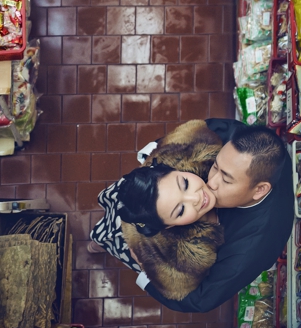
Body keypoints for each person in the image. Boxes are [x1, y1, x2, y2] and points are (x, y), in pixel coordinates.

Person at [138, 119, 293, 312]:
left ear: (259, 190)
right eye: (215, 166)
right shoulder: (238, 142)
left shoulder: (251, 248)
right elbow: (211, 128)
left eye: (226, 179)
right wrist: (155, 152)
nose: (211, 182)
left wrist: (144, 272)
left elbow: (200, 300)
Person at [90, 119, 225, 300]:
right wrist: (143, 264)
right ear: (168, 226)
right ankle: (97, 243)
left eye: (184, 183)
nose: (196, 197)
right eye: (180, 210)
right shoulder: (167, 259)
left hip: (140, 191)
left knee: (117, 208)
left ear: (171, 168)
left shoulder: (185, 151)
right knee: (110, 235)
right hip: (135, 236)